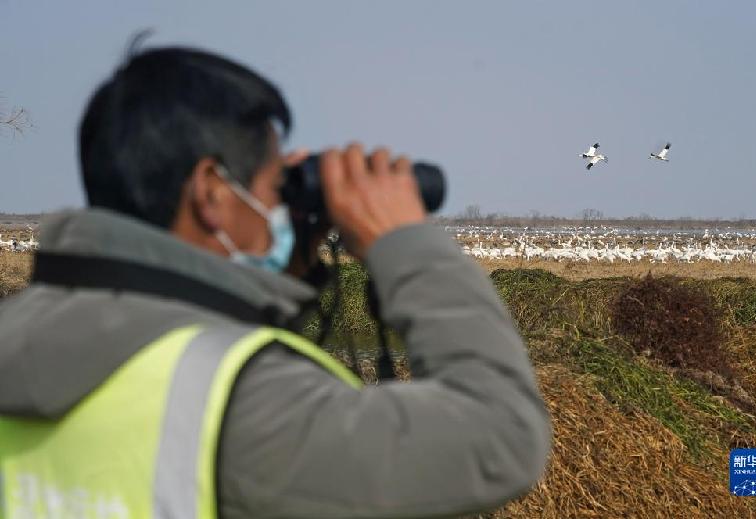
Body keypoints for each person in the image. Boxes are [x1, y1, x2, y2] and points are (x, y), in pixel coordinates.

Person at [0, 42, 551, 518]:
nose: (282, 210)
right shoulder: (243, 404)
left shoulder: (19, 331)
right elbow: (500, 436)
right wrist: (404, 240)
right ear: (213, 192)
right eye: (273, 188)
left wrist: (284, 278)